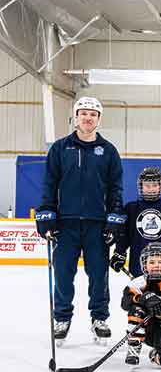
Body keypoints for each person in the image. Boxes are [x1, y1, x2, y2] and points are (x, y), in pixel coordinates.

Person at [36, 96, 124, 344]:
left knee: (98, 275)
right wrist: (47, 213)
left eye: (93, 114)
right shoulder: (60, 148)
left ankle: (99, 318)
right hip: (66, 224)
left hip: (97, 224)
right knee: (63, 274)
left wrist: (114, 218)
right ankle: (62, 318)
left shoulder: (108, 151)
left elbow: (115, 188)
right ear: (75, 117)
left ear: (99, 119)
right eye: (83, 113)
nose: (88, 118)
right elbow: (50, 184)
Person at [111, 166, 161, 278]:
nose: (151, 189)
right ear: (141, 186)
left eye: (155, 185)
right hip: (138, 262)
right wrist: (120, 252)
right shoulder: (132, 208)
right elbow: (124, 235)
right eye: (147, 185)